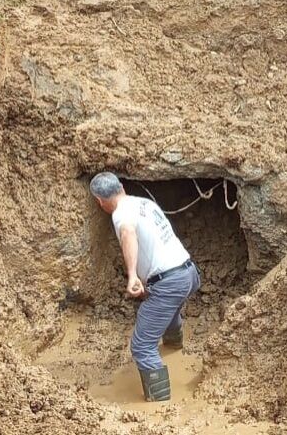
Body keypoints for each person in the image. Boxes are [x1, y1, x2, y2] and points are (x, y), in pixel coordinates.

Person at [89, 172, 200, 402]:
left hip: (170, 281)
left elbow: (128, 233)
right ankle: (174, 346)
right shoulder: (144, 203)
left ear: (99, 202)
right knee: (167, 309)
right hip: (188, 272)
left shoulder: (121, 213)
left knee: (141, 346)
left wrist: (132, 276)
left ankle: (161, 406)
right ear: (121, 186)